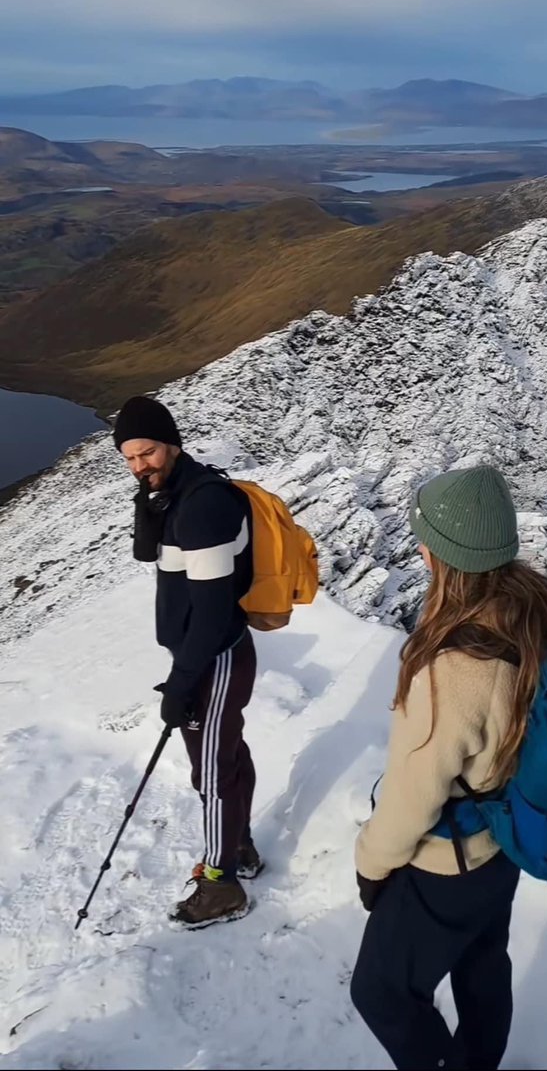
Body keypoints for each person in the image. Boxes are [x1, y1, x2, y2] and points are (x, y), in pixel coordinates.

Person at [351, 464, 547, 1071]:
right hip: (504, 845)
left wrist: (371, 864)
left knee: (381, 991)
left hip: (449, 865)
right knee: (482, 967)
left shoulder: (452, 669)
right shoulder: (531, 618)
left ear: (438, 555)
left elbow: (413, 797)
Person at [113, 394, 263, 928]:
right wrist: (147, 497)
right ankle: (239, 844)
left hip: (214, 657)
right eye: (129, 458)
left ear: (173, 444)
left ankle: (221, 884)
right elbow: (147, 553)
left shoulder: (203, 506)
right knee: (224, 757)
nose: (139, 466)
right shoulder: (174, 493)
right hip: (200, 655)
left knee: (213, 771)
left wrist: (182, 683)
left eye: (148, 453)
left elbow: (213, 611)